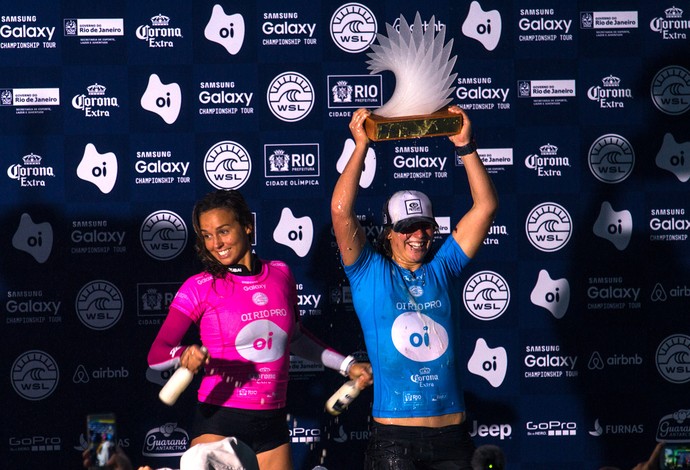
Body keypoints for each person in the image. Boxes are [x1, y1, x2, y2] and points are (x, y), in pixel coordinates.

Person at [148, 189, 372, 470]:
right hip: (219, 419)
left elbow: (296, 338)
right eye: (206, 235)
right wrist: (183, 355)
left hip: (272, 425)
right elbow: (156, 354)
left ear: (247, 225)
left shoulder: (281, 273)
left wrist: (347, 365)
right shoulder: (199, 286)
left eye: (223, 231)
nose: (216, 243)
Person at [330, 106, 498, 469]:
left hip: (453, 439)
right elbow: (341, 212)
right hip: (395, 444)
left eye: (424, 226)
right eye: (407, 227)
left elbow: (485, 207)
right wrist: (360, 146)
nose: (418, 235)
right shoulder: (368, 273)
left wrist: (466, 147)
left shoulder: (445, 267)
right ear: (388, 231)